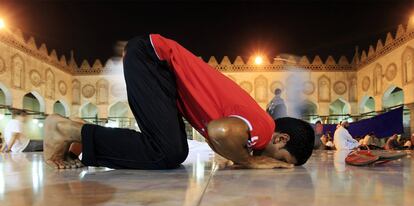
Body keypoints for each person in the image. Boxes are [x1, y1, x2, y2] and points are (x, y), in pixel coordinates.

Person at [43, 34, 315, 169]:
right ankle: (66, 130)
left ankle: (76, 136)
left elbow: (217, 137)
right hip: (154, 60)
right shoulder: (265, 128)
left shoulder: (256, 125)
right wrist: (250, 162)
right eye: (280, 160)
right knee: (168, 151)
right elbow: (221, 131)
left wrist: (236, 157)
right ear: (281, 139)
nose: (273, 164)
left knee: (172, 150)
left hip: (155, 63)